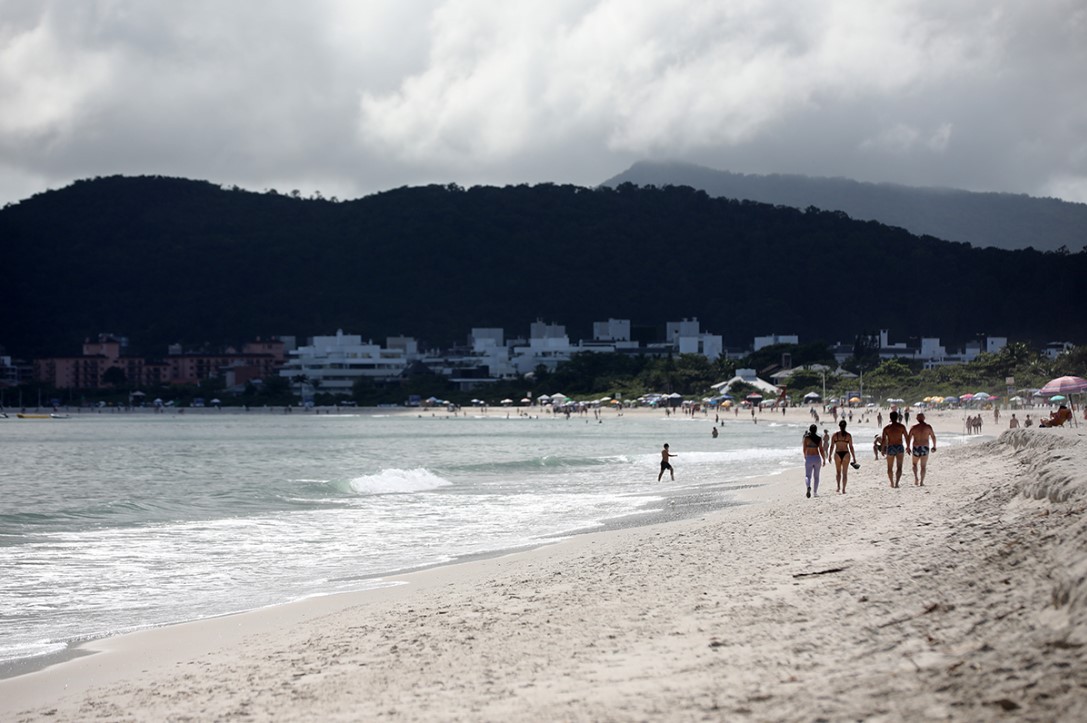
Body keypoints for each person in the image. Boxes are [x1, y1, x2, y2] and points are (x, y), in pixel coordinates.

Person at [907, 412, 937, 486]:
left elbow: (909, 438)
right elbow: (933, 436)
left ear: (917, 419)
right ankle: (921, 482)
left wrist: (908, 447)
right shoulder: (928, 427)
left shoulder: (913, 427)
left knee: (914, 464)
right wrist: (934, 446)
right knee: (923, 466)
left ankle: (916, 478)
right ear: (924, 418)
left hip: (916, 447)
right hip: (925, 447)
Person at [881, 411, 909, 488]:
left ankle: (892, 483)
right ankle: (896, 483)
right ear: (897, 417)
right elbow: (907, 437)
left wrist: (883, 449)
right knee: (899, 466)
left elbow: (883, 440)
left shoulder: (887, 428)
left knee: (889, 467)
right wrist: (908, 447)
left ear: (890, 418)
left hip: (891, 447)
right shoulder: (901, 427)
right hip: (899, 447)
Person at [830, 420, 857, 493]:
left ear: (839, 426)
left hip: (837, 453)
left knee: (838, 472)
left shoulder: (835, 435)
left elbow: (832, 446)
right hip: (846, 453)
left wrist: (829, 455)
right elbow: (851, 447)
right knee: (844, 473)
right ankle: (844, 489)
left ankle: (838, 487)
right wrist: (854, 457)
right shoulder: (848, 435)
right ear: (845, 426)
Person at [802, 424, 826, 498]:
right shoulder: (819, 438)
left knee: (807, 476)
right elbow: (821, 450)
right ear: (816, 430)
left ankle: (808, 486)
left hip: (809, 457)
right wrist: (824, 459)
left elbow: (804, 449)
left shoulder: (806, 438)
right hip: (816, 458)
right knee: (816, 476)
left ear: (809, 429)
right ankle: (815, 492)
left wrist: (805, 456)